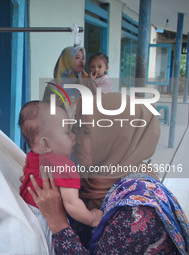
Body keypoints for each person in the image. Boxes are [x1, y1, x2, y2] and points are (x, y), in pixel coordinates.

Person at [28, 93, 189, 254]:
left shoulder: (136, 211)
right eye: (73, 129)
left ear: (115, 139)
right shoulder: (92, 177)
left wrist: (57, 222)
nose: (74, 139)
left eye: (85, 131)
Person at [18, 100, 103, 253]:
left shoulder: (31, 156)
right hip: (46, 221)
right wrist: (92, 218)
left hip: (25, 215)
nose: (74, 137)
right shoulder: (64, 165)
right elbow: (72, 205)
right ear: (46, 144)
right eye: (67, 132)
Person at [43, 45, 88, 119]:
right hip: (59, 127)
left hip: (81, 128)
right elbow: (44, 112)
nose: (82, 61)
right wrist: (53, 105)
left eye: (83, 58)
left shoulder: (84, 82)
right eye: (77, 57)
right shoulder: (53, 85)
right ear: (66, 60)